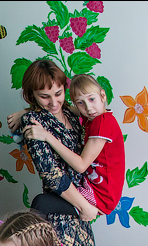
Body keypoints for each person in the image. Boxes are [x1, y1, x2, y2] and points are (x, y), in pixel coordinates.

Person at [6, 59, 97, 246]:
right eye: (44, 96)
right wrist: (83, 206)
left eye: (58, 93)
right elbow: (52, 176)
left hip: (82, 204)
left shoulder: (69, 111)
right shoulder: (33, 122)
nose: (54, 102)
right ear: (32, 95)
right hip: (62, 208)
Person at [22, 74, 125, 217]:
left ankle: (34, 238)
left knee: (42, 203)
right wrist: (22, 113)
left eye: (91, 99)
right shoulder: (93, 117)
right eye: (80, 103)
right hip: (95, 188)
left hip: (101, 196)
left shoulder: (103, 122)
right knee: (46, 201)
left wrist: (47, 136)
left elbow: (81, 165)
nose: (88, 108)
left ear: (103, 95)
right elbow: (67, 109)